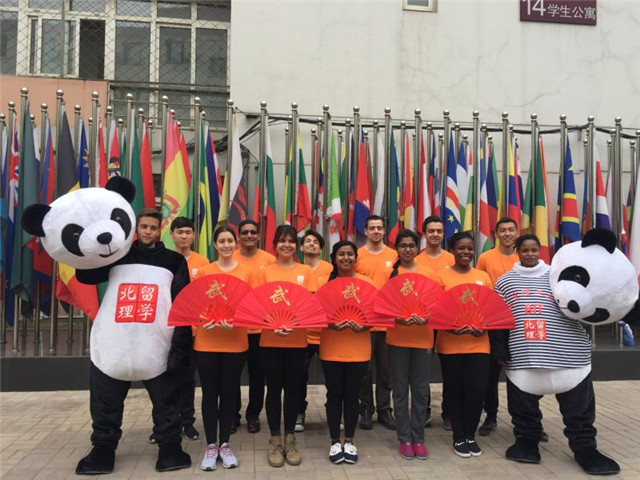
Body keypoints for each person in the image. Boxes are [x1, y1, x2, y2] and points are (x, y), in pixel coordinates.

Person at [76, 208, 191, 474]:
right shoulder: (116, 255)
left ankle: (169, 447)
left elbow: (183, 304)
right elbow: (86, 275)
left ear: (160, 230)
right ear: (136, 228)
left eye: (153, 227)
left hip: (157, 346)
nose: (148, 231)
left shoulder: (174, 260)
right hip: (113, 345)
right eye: (144, 227)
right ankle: (102, 449)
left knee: (167, 403)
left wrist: (179, 346)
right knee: (105, 403)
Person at [493, 234, 619, 475]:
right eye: (524, 250)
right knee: (523, 408)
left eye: (534, 249)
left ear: (540, 250)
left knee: (579, 409)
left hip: (568, 356)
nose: (530, 254)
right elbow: (498, 317)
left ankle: (585, 447)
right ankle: (527, 440)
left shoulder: (559, 274)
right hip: (524, 357)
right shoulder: (505, 282)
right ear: (517, 252)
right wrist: (500, 347)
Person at [192, 226, 256, 471]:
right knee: (210, 393)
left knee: (229, 392)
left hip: (235, 341)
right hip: (206, 342)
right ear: (215, 244)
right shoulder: (204, 271)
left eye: (230, 240)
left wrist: (238, 321)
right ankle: (211, 445)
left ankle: (225, 444)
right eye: (222, 241)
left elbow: (253, 306)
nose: (226, 245)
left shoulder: (247, 272)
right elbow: (195, 304)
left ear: (236, 243)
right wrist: (201, 321)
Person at [259, 225, 316, 468]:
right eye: (282, 241)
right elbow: (257, 306)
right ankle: (275, 439)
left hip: (297, 340)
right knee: (273, 389)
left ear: (297, 246)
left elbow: (310, 305)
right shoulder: (265, 272)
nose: (286, 245)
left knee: (293, 389)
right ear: (274, 245)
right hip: (269, 340)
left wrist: (295, 324)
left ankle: (290, 439)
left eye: (291, 241)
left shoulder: (306, 271)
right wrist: (270, 324)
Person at [147, 216, 208, 444]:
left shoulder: (203, 263)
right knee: (161, 380)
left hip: (192, 331)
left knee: (186, 379)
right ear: (171, 234)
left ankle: (187, 422)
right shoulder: (163, 260)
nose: (184, 236)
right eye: (179, 232)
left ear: (193, 235)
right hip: (163, 331)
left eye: (188, 232)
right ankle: (162, 424)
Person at [434, 232, 492, 458]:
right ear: (452, 251)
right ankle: (458, 436)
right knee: (454, 391)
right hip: (450, 345)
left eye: (469, 248)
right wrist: (450, 328)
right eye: (461, 248)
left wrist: (483, 327)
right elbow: (436, 310)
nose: (466, 252)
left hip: (479, 345)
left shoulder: (483, 277)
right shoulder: (441, 276)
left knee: (476, 392)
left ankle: (470, 435)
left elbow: (490, 308)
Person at [318, 240, 372, 464]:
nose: (346, 258)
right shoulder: (325, 284)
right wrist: (330, 324)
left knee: (352, 395)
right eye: (341, 254)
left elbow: (376, 314)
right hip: (331, 349)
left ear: (356, 258)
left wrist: (365, 325)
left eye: (350, 254)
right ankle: (334, 441)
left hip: (359, 350)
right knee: (334, 395)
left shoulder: (367, 284)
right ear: (334, 258)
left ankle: (349, 440)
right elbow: (314, 315)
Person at [385, 230, 437, 461]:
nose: (407, 249)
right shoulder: (389, 274)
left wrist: (427, 318)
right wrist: (398, 319)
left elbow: (438, 305)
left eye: (411, 245)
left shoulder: (428, 273)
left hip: (423, 338)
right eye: (403, 245)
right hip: (397, 340)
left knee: (420, 391)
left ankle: (419, 438)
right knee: (399, 391)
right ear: (397, 249)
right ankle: (404, 438)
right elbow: (381, 307)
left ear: (417, 248)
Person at [475, 217, 519, 437]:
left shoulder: (524, 256)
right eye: (503, 230)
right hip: (493, 324)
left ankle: (527, 421)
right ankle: (490, 417)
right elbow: (479, 289)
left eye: (511, 230)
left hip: (520, 324)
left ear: (517, 233)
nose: (507, 234)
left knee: (522, 375)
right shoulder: (486, 258)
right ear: (496, 234)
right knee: (489, 377)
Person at [232, 219, 276, 434]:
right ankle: (232, 415)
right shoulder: (230, 258)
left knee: (258, 376)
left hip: (260, 328)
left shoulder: (270, 260)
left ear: (258, 236)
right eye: (244, 232)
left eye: (252, 232)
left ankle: (253, 416)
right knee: (232, 375)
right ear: (239, 237)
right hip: (235, 328)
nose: (249, 235)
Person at [355, 215, 397, 430]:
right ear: (365, 231)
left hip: (389, 322)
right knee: (365, 369)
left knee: (386, 370)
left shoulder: (394, 255)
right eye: (372, 228)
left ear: (384, 230)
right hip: (365, 322)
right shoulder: (358, 256)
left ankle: (384, 409)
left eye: (379, 228)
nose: (376, 231)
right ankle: (365, 409)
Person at [415, 215, 454, 429]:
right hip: (424, 322)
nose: (435, 234)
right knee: (422, 370)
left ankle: (449, 411)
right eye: (431, 231)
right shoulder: (417, 260)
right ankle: (424, 409)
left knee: (449, 368)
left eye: (439, 231)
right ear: (424, 233)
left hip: (449, 321)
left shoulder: (452, 259)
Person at [296, 230, 333, 432]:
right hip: (302, 334)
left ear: (320, 249)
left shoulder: (330, 269)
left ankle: (333, 412)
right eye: (307, 241)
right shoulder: (296, 269)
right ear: (301, 247)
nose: (311, 244)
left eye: (315, 242)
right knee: (299, 377)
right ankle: (299, 413)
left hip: (326, 333)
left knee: (332, 378)